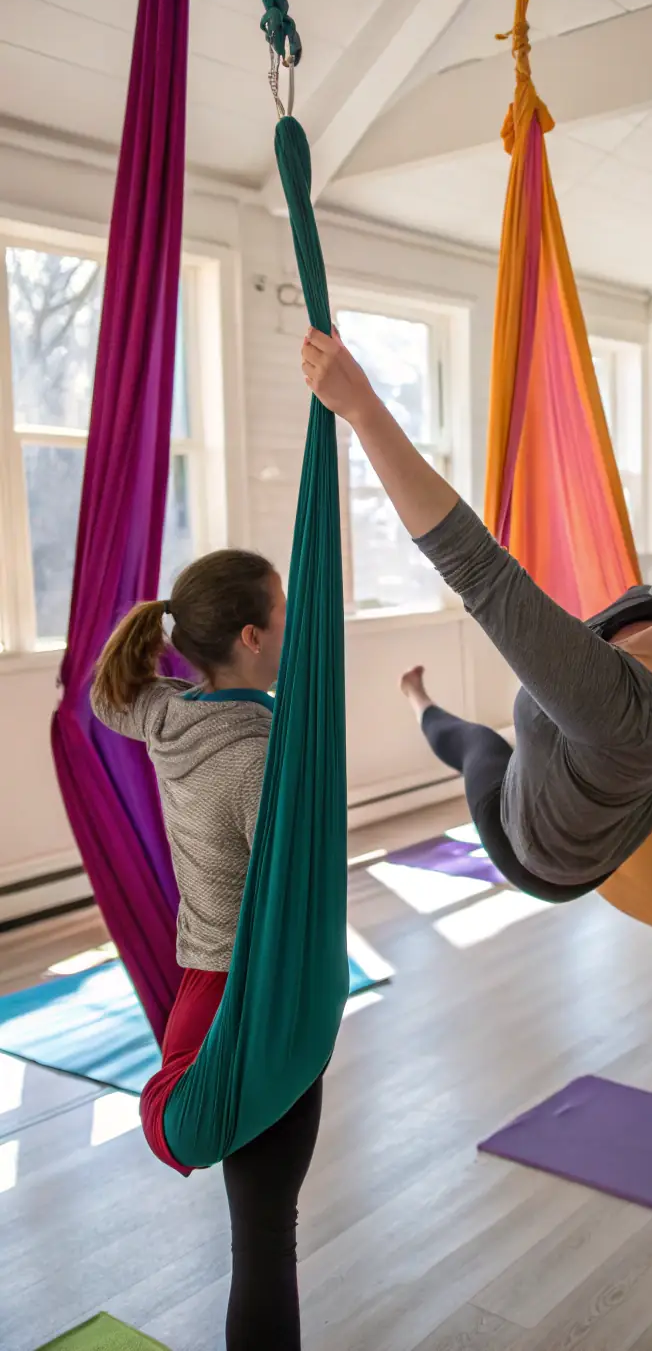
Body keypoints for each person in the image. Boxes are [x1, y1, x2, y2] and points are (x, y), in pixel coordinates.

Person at [302, 326, 652, 901]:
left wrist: (361, 408)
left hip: (544, 857)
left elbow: (477, 568)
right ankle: (423, 697)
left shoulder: (620, 708)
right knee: (514, 742)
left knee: (478, 744)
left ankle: (418, 699)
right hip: (606, 808)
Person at [90, 553, 315, 1351]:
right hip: (248, 1003)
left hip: (198, 983)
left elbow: (106, 696)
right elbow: (287, 899)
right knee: (264, 1239)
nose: (298, 627)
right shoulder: (263, 758)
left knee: (256, 1232)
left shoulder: (167, 715)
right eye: (288, 614)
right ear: (253, 637)